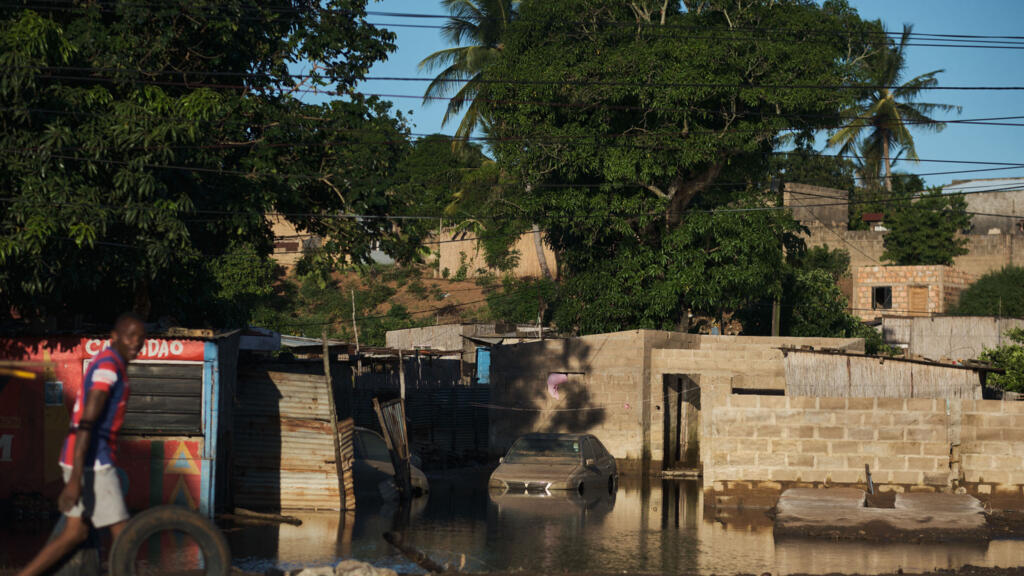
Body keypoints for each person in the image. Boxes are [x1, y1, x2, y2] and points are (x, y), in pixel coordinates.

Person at [17, 312, 146, 576]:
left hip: (80, 456)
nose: (136, 343)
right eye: (130, 336)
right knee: (124, 536)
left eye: (141, 338)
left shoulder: (109, 362)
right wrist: (76, 480)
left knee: (74, 533)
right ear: (114, 337)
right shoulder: (109, 368)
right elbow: (86, 423)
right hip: (92, 461)